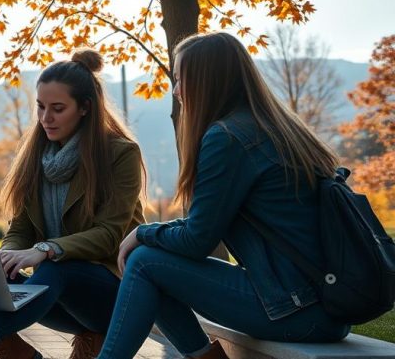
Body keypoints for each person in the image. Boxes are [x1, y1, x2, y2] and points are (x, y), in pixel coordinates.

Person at [98, 32, 352, 359]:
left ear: (207, 82)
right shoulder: (274, 127)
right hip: (324, 304)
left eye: (180, 80)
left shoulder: (228, 137)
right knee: (151, 259)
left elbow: (197, 240)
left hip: (297, 308)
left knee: (144, 261)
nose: (176, 92)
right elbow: (206, 222)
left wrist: (143, 231)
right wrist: (151, 235)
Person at [0, 50, 147, 359]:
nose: (46, 118)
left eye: (58, 109)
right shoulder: (37, 155)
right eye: (40, 107)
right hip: (57, 296)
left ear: (85, 108)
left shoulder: (120, 154)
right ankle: (13, 350)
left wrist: (47, 248)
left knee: (56, 265)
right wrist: (7, 255)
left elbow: (110, 234)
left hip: (113, 297)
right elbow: (21, 227)